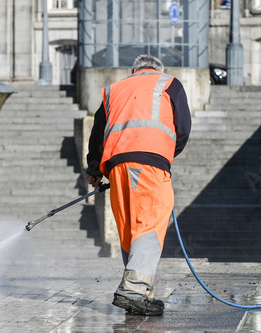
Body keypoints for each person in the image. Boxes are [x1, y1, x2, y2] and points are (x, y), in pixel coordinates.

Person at [85, 55, 191, 316]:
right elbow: (184, 127)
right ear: (158, 70)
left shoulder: (115, 89)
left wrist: (94, 169)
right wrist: (165, 154)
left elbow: (98, 131)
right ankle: (133, 289)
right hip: (151, 161)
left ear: (134, 71)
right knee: (150, 223)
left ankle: (142, 295)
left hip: (116, 165)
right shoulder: (170, 83)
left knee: (130, 227)